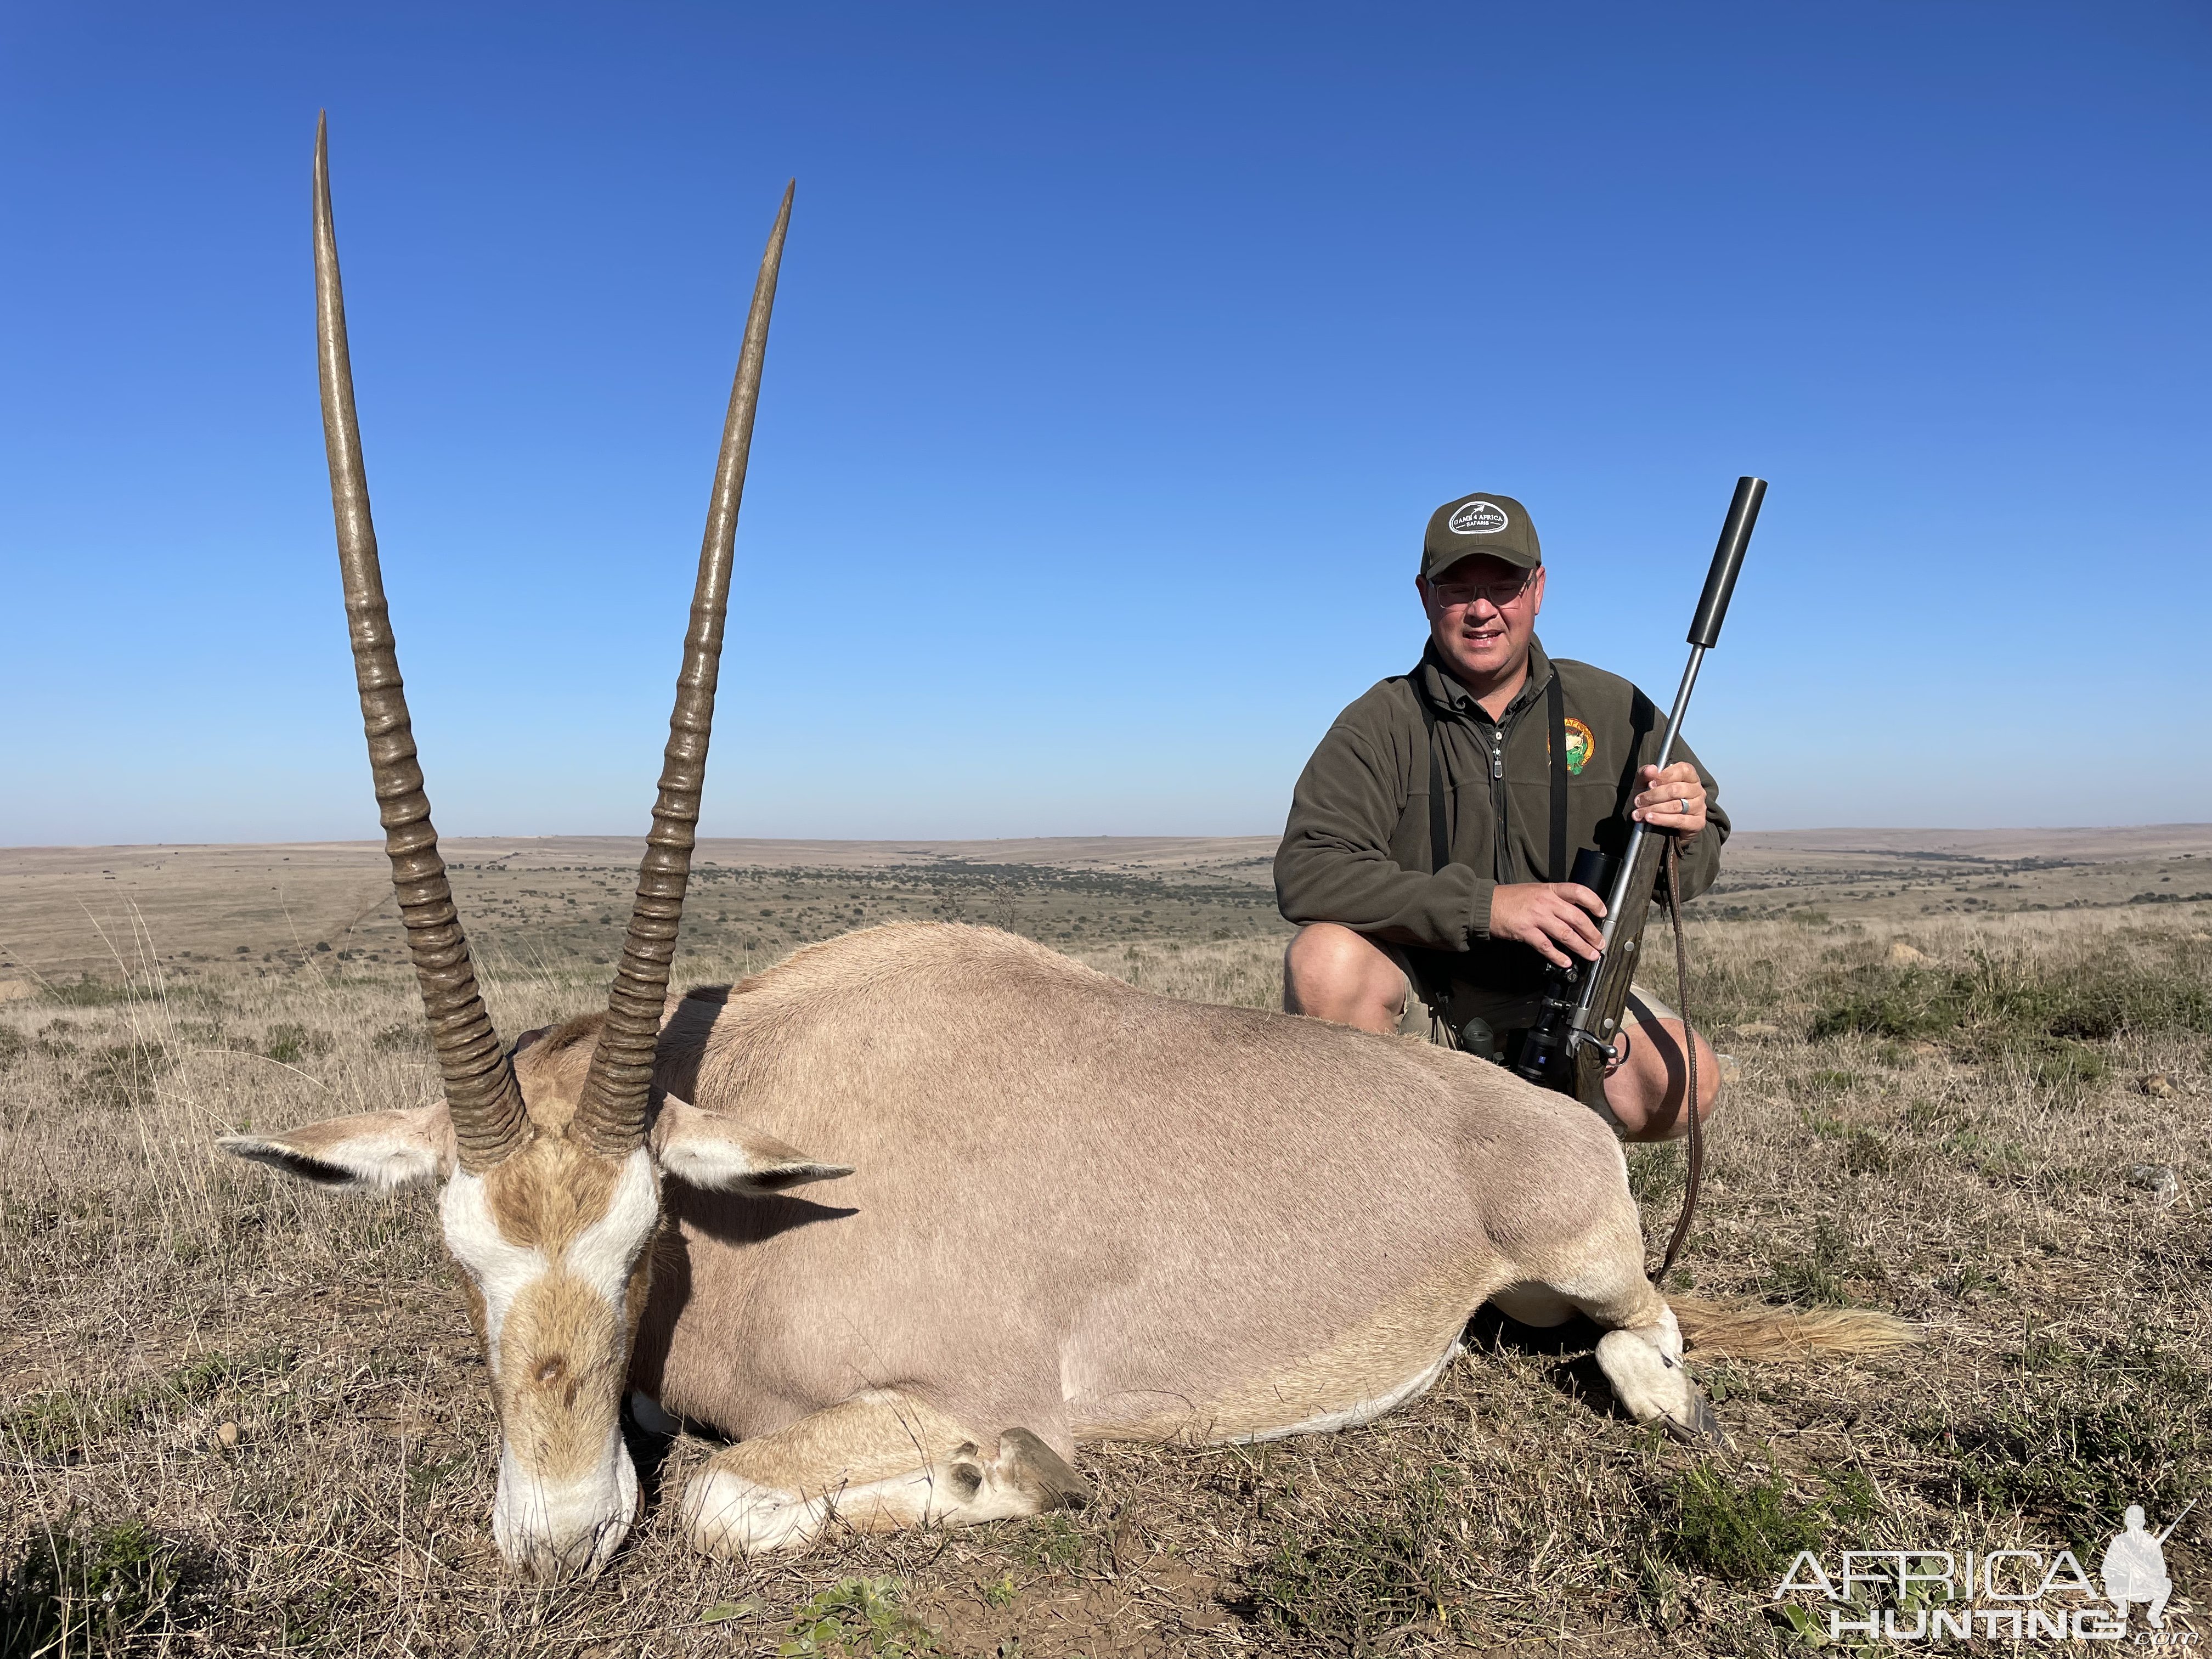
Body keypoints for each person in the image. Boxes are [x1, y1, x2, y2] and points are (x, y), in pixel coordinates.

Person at [1274, 489, 1728, 1139]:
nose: (1482, 609)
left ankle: (1566, 1162)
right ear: (1425, 596)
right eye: (1458, 588)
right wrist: (1489, 907)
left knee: (1682, 1081)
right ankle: (1380, 1169)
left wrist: (1680, 833)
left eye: (1504, 586)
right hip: (1423, 1003)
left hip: (1571, 1000)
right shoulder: (1379, 722)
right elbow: (1308, 871)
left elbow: (1702, 850)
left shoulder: (1612, 706)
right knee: (1324, 962)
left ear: (1538, 589)